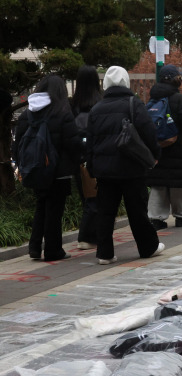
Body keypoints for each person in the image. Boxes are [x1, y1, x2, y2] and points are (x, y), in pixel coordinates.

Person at [86, 66, 163, 264]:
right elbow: (148, 132)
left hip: (104, 171)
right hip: (131, 168)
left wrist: (92, 169)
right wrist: (154, 155)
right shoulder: (134, 104)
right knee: (137, 211)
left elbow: (91, 143)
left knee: (106, 213)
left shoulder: (96, 109)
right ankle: (148, 247)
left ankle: (105, 253)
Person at [13, 75, 82, 261]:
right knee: (54, 210)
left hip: (35, 168)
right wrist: (77, 163)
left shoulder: (28, 113)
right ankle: (53, 250)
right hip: (58, 171)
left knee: (41, 206)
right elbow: (73, 143)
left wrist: (22, 164)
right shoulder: (62, 112)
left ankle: (34, 247)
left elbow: (18, 143)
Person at [145, 64, 182, 231]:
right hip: (177, 147)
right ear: (176, 79)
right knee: (177, 184)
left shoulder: (152, 99)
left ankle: (156, 218)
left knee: (158, 185)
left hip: (158, 148)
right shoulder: (178, 99)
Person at [71, 65, 102, 250]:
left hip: (78, 158)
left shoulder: (72, 105)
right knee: (97, 198)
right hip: (98, 156)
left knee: (87, 197)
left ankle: (92, 235)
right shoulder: (100, 103)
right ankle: (87, 236)